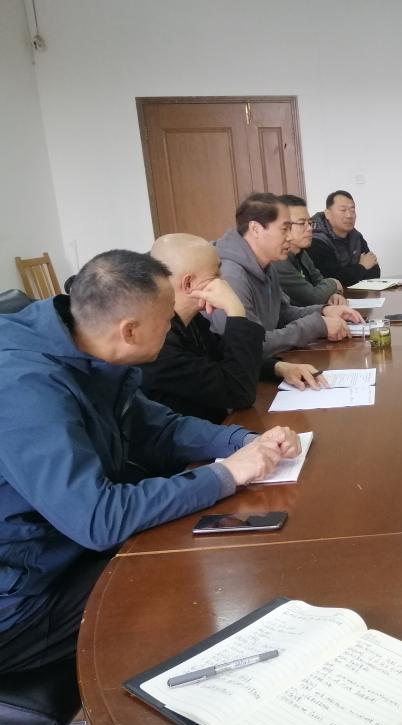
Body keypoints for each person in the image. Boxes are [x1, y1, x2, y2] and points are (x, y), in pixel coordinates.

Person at [0, 250, 301, 673]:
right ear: (129, 330)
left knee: (204, 550)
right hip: (20, 597)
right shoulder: (25, 388)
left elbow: (158, 428)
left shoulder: (86, 345)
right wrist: (225, 473)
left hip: (58, 549)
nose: (173, 324)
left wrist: (246, 441)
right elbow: (99, 519)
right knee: (186, 588)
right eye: (166, 319)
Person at [141, 234, 324, 423]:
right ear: (188, 284)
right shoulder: (160, 344)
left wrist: (279, 368)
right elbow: (239, 392)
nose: (224, 282)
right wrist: (236, 311)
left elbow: (225, 356)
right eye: (216, 275)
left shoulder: (191, 321)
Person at [211, 193, 363, 356]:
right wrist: (317, 326)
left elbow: (282, 313)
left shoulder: (266, 265)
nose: (290, 237)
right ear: (255, 229)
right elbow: (250, 345)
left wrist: (324, 311)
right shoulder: (231, 276)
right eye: (285, 229)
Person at [272, 194, 348, 307]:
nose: (309, 228)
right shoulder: (278, 261)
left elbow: (319, 280)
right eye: (302, 223)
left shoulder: (301, 252)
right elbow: (313, 298)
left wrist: (334, 294)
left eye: (310, 223)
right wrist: (334, 282)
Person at [308, 190, 382, 287]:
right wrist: (362, 266)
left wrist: (351, 273)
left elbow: (374, 271)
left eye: (352, 210)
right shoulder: (316, 239)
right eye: (343, 210)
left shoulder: (356, 236)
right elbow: (332, 279)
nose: (349, 215)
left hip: (357, 293)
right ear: (327, 213)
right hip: (331, 295)